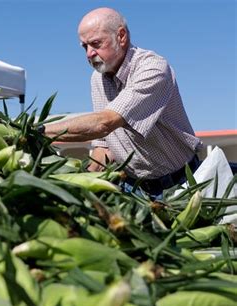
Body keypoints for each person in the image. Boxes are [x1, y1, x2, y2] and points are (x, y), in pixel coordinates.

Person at [44, 7, 202, 199]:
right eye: (84, 46)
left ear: (121, 36)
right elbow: (103, 147)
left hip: (181, 185)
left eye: (95, 44)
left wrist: (38, 131)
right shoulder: (97, 79)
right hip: (135, 190)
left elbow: (104, 123)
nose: (89, 53)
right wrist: (80, 183)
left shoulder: (152, 68)